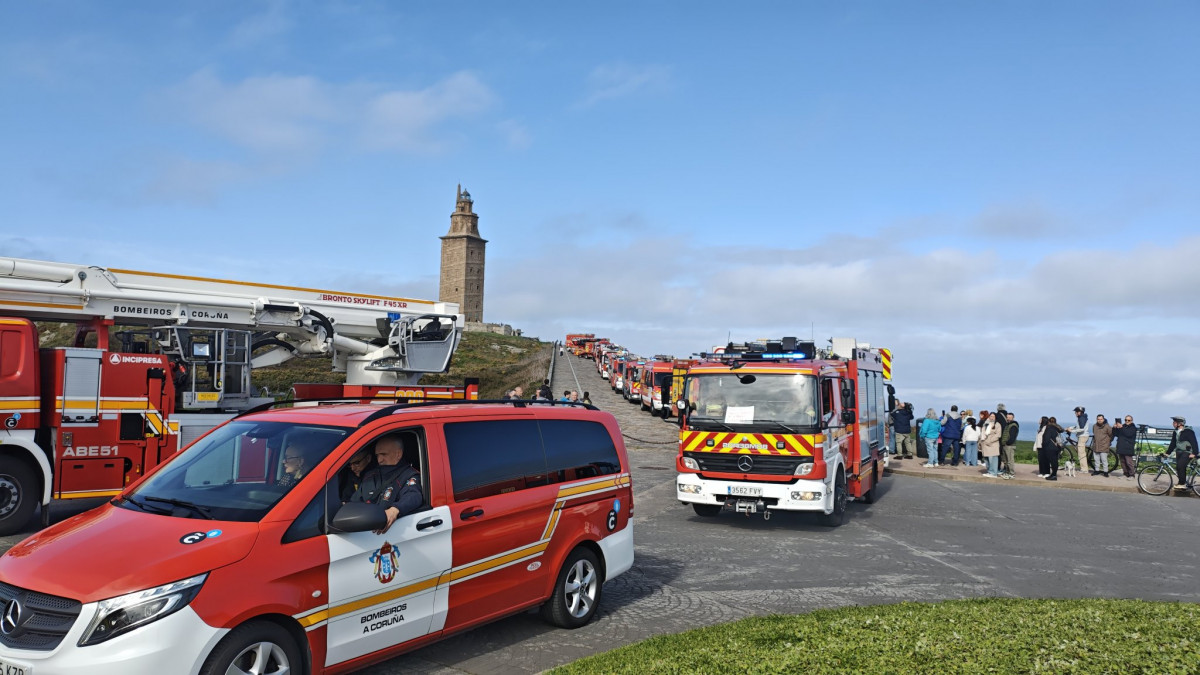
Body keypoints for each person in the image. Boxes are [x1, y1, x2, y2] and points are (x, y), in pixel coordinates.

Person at [352, 435, 423, 533]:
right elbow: (354, 502)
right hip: (363, 533)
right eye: (377, 455)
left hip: (393, 534)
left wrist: (395, 509)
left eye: (383, 454)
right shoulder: (370, 476)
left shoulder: (409, 475)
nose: (379, 460)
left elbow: (413, 496)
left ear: (398, 454)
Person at [1166, 416, 1198, 491]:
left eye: (1174, 422)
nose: (1173, 424)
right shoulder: (1175, 432)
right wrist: (1168, 453)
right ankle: (1182, 484)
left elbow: (1194, 443)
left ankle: (1182, 484)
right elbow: (1173, 443)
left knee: (1180, 466)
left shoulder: (1188, 431)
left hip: (1187, 452)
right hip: (1179, 452)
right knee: (1179, 467)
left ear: (1180, 423)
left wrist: (1195, 453)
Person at [1113, 415, 1138, 479]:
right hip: (1121, 446)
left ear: (1131, 421)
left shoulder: (1133, 428)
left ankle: (1132, 475)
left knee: (1129, 462)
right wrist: (1114, 428)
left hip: (1128, 447)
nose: (1127, 421)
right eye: (1125, 420)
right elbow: (1116, 434)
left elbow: (1128, 434)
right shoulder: (1123, 426)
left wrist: (1121, 427)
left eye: (1128, 420)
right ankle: (1125, 474)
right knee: (1122, 462)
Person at [1066, 406, 1090, 473]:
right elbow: (1078, 426)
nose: (1075, 413)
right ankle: (1084, 468)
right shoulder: (1082, 417)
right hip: (1083, 436)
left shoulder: (1081, 418)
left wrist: (1071, 431)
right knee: (1080, 452)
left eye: (1076, 412)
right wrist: (1070, 427)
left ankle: (1084, 469)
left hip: (1082, 436)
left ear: (1079, 412)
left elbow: (1082, 429)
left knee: (1081, 453)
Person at [979, 411, 1002, 477]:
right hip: (985, 444)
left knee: (993, 459)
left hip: (993, 445)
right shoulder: (986, 424)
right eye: (990, 416)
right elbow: (983, 432)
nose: (991, 418)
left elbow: (998, 435)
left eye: (993, 416)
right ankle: (989, 471)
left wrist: (990, 441)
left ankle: (994, 473)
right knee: (987, 459)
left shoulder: (997, 424)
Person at [1043, 416, 1064, 481]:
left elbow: (1046, 439)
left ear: (1049, 422)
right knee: (1055, 461)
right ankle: (1053, 474)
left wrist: (1044, 445)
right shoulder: (1057, 428)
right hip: (1057, 447)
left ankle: (1054, 476)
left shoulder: (1049, 428)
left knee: (1053, 462)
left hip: (1050, 447)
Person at [1001, 412, 1019, 479]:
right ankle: (1007, 472)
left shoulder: (1013, 425)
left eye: (1010, 417)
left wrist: (1008, 443)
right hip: (1005, 445)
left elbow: (1012, 436)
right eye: (1007, 417)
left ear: (1013, 418)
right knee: (1006, 461)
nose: (1008, 418)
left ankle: (1011, 473)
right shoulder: (1008, 425)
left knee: (1010, 461)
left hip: (1010, 446)